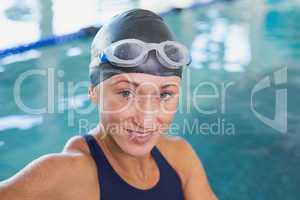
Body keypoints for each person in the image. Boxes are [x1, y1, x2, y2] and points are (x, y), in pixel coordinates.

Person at [0, 9, 217, 200]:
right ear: (93, 92)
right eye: (126, 93)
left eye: (165, 94)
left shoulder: (180, 157)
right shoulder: (66, 174)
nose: (146, 119)